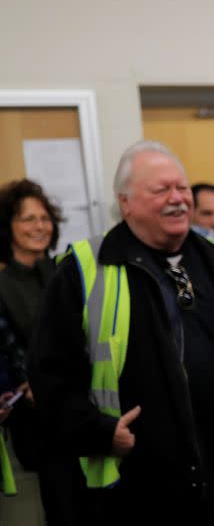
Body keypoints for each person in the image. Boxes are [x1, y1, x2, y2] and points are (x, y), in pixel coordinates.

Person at [30, 141, 214, 526]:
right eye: (161, 190)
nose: (178, 199)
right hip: (140, 488)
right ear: (126, 203)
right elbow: (49, 374)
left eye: (182, 188)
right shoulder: (84, 270)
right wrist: (100, 432)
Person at [0, 178, 90, 524]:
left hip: (84, 405)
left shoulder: (68, 269)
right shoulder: (4, 283)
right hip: (38, 414)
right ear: (7, 226)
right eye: (27, 219)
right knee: (61, 505)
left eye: (44, 218)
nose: (39, 227)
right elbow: (9, 346)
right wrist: (27, 381)